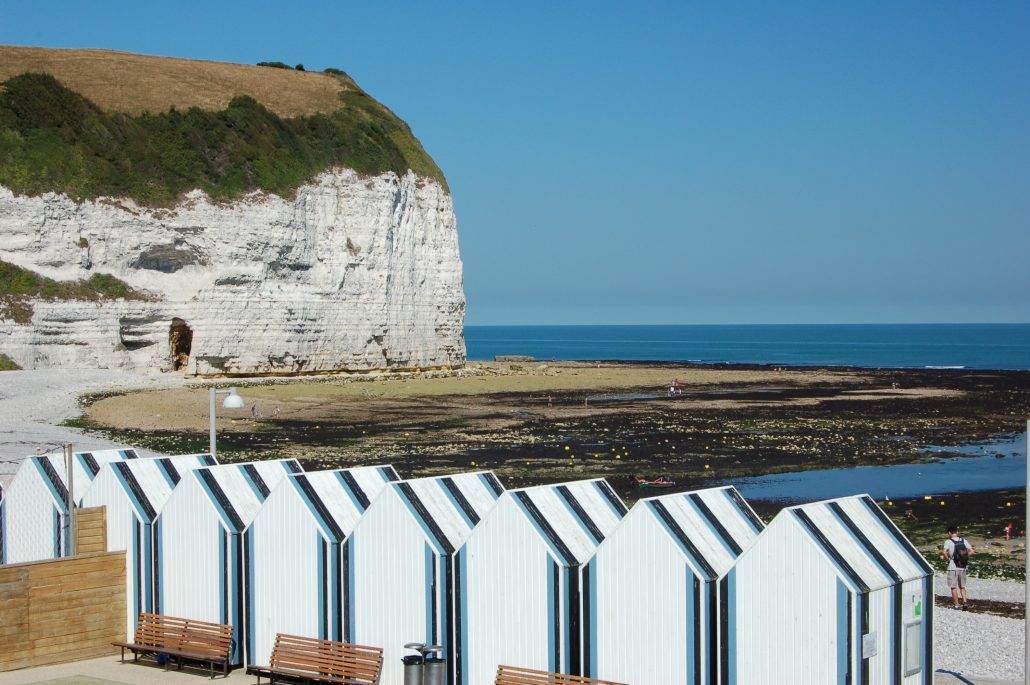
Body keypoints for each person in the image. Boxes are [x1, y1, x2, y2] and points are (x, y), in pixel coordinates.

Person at [942, 524, 973, 609]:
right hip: (963, 566)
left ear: (949, 533)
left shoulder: (948, 541)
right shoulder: (963, 540)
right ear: (957, 532)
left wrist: (947, 559)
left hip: (953, 566)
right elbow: (972, 551)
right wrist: (964, 557)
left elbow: (944, 552)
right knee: (962, 586)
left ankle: (956, 604)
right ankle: (965, 602)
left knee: (953, 586)